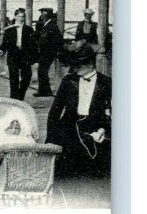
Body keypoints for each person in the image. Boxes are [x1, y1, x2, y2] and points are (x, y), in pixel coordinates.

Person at [47, 44, 111, 179]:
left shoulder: (106, 83)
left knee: (98, 171)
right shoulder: (68, 81)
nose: (73, 68)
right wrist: (51, 139)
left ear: (90, 64)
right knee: (65, 171)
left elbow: (110, 112)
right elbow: (55, 111)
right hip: (68, 129)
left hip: (94, 128)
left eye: (78, 65)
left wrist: (103, 129)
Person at [0, 8, 37, 100]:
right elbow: (5, 43)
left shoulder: (29, 30)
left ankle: (20, 96)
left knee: (26, 78)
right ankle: (14, 99)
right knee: (13, 79)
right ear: (15, 17)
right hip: (13, 56)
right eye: (19, 16)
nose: (21, 18)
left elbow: (34, 46)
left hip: (25, 56)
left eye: (23, 16)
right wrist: (1, 50)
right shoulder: (10, 29)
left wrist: (35, 60)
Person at [34, 7, 64, 97]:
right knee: (42, 71)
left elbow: (57, 39)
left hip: (48, 52)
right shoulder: (46, 25)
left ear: (47, 16)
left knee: (42, 71)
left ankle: (44, 91)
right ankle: (45, 91)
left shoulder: (52, 26)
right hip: (44, 52)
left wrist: (54, 50)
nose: (42, 16)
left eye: (43, 14)